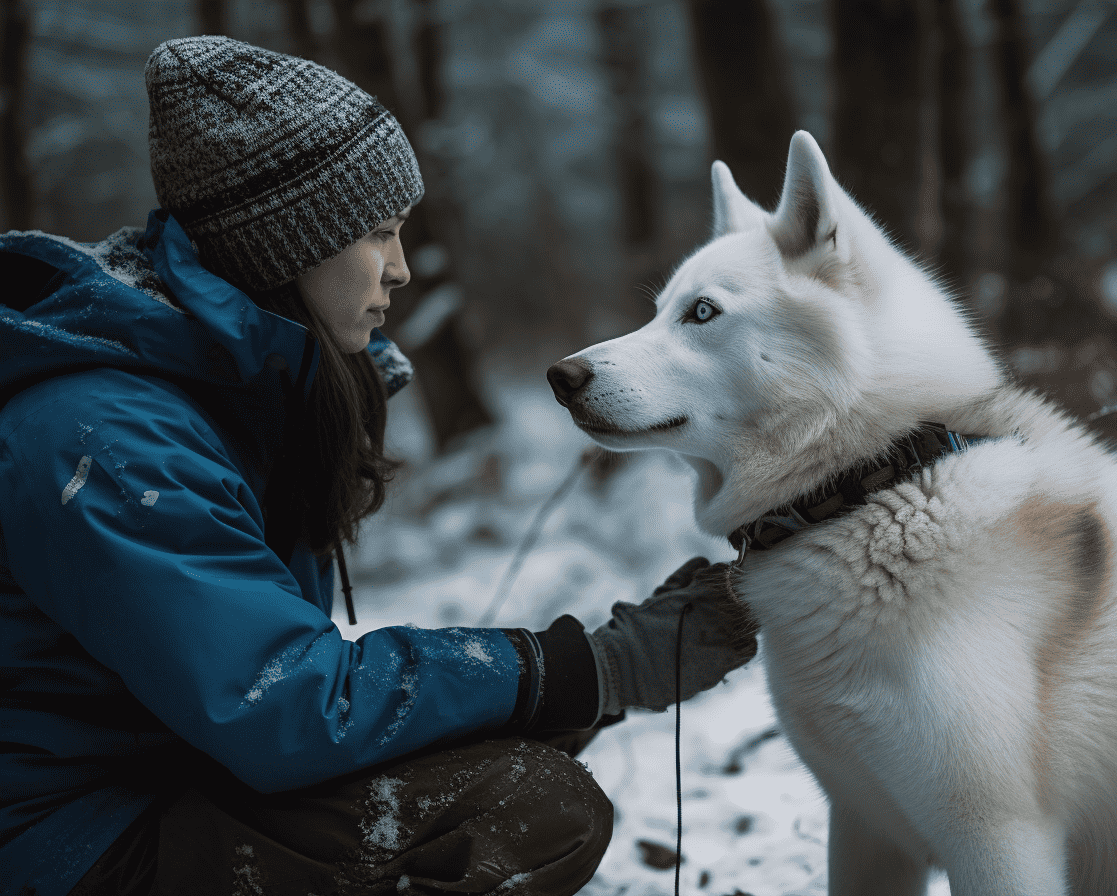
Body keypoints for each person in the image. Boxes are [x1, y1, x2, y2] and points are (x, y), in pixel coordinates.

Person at [0, 36, 755, 896]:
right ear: (284, 245)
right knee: (526, 806)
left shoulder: (225, 399)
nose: (398, 269)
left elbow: (279, 700)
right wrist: (595, 665)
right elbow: (282, 706)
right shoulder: (104, 435)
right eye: (377, 234)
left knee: (497, 773)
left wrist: (593, 685)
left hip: (166, 787)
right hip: (68, 845)